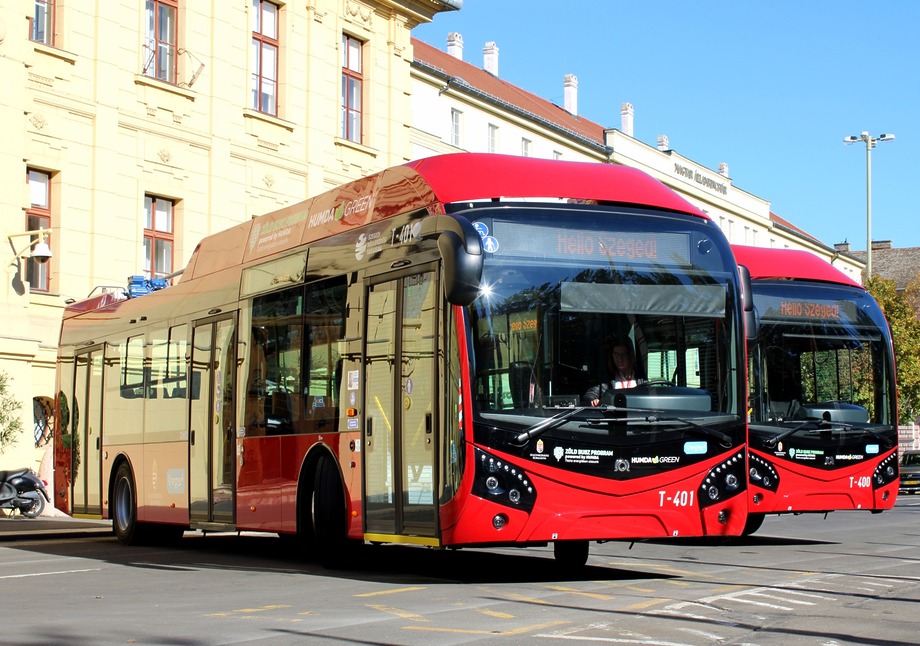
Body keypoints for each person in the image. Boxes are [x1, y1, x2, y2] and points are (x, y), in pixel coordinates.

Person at [584, 338, 645, 406]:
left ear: (630, 355)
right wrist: (594, 400)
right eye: (616, 354)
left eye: (623, 354)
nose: (619, 359)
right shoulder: (607, 377)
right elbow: (590, 394)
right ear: (612, 356)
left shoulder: (640, 376)